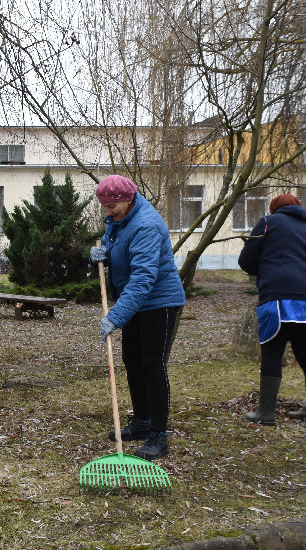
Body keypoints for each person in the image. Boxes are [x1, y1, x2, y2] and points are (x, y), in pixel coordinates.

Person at [89, 175, 186, 459]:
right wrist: (100, 255)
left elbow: (144, 277)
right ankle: (142, 422)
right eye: (105, 207)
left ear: (129, 199)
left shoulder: (146, 225)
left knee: (152, 366)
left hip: (159, 303)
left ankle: (159, 435)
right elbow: (117, 250)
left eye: (112, 206)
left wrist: (115, 316)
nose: (108, 212)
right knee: (132, 361)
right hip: (135, 303)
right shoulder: (119, 220)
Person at [237, 193, 306, 425]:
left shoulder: (268, 222)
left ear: (274, 208)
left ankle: (266, 412)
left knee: (272, 351)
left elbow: (246, 261)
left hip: (280, 298)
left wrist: (264, 264)